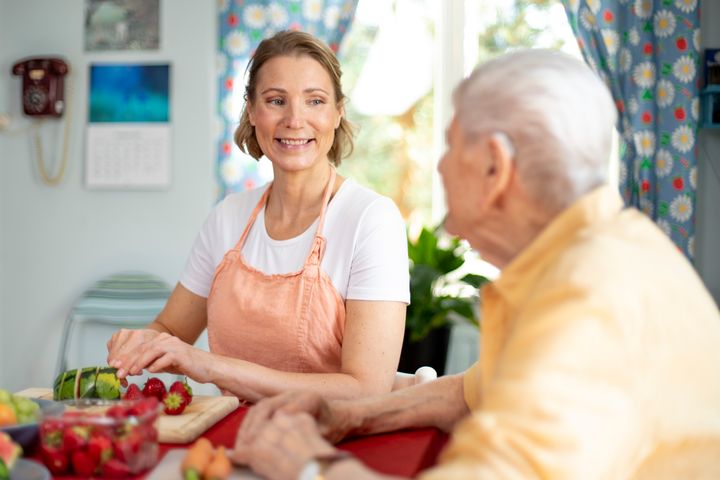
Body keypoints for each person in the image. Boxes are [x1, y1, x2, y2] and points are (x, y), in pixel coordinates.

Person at [231, 49, 720, 480]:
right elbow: (467, 394)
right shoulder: (591, 252)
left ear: (494, 166)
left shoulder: (589, 300)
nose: (440, 167)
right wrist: (353, 415)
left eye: (450, 145)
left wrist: (309, 466)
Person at [106, 30, 410, 402]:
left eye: (315, 101)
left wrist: (211, 366)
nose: (295, 120)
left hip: (335, 445)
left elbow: (366, 387)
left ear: (337, 112)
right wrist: (142, 340)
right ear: (252, 111)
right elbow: (171, 328)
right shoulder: (227, 219)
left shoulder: (371, 220)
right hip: (235, 436)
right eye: (276, 100)